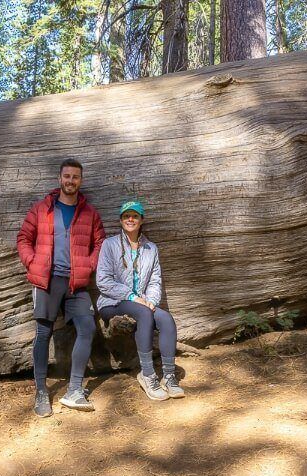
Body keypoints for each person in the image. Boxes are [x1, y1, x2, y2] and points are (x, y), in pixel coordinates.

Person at [16, 159, 106, 417]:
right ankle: (42, 391)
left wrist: (89, 265)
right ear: (59, 179)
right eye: (67, 176)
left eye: (75, 177)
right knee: (43, 334)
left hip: (76, 283)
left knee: (87, 328)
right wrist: (32, 262)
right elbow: (23, 238)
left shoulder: (89, 213)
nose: (70, 181)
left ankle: (75, 389)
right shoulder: (42, 208)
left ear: (81, 180)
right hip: (47, 281)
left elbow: (100, 241)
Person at [96, 201, 184, 401]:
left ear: (141, 220)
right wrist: (133, 297)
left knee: (166, 319)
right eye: (126, 216)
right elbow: (103, 281)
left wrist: (152, 300)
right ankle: (148, 375)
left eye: (135, 216)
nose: (130, 219)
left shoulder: (151, 248)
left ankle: (169, 376)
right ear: (120, 220)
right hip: (112, 302)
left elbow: (155, 279)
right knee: (144, 313)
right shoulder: (109, 245)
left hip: (142, 303)